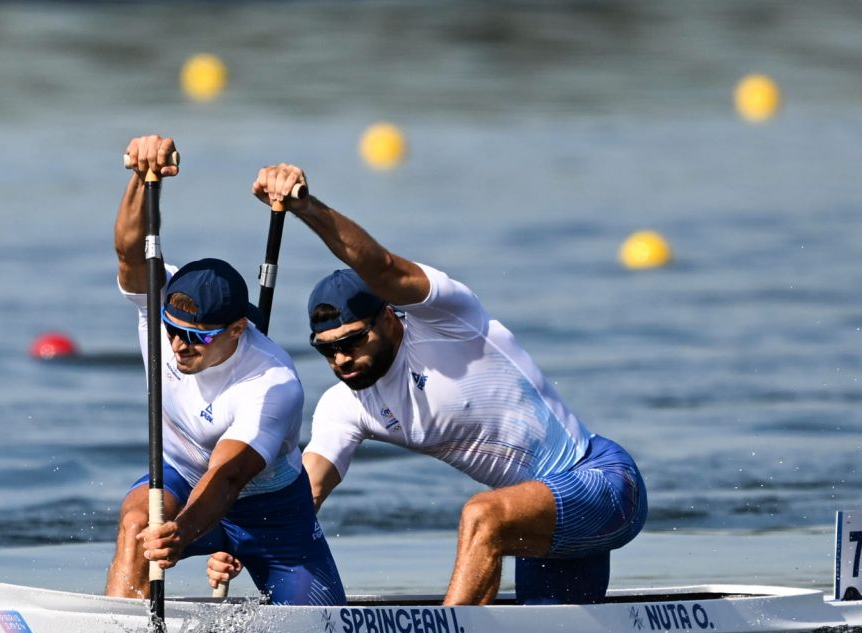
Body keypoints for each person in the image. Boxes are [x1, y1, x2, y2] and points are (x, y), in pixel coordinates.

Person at [207, 163, 647, 606]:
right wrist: (243, 542)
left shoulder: (448, 321)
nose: (341, 359)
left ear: (390, 316)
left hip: (603, 484)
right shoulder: (345, 406)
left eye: (354, 340)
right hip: (533, 516)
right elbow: (306, 496)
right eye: (327, 349)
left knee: (481, 516)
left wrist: (307, 208)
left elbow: (381, 267)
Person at [106, 137, 345, 606]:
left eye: (197, 337)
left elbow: (229, 478)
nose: (177, 344)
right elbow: (131, 255)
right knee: (138, 522)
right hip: (179, 476)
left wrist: (182, 532)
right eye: (172, 330)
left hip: (270, 513)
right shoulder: (161, 310)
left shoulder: (272, 381)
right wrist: (140, 179)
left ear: (238, 328)